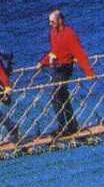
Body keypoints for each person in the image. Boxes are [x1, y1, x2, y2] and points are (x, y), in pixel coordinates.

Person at [38, 9, 96, 137]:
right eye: (49, 22)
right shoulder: (53, 33)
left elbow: (79, 53)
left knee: (56, 96)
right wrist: (43, 62)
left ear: (60, 20)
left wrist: (89, 72)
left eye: (52, 21)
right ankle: (71, 125)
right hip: (56, 68)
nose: (50, 24)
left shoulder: (69, 34)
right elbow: (54, 51)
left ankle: (63, 127)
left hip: (65, 67)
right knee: (63, 96)